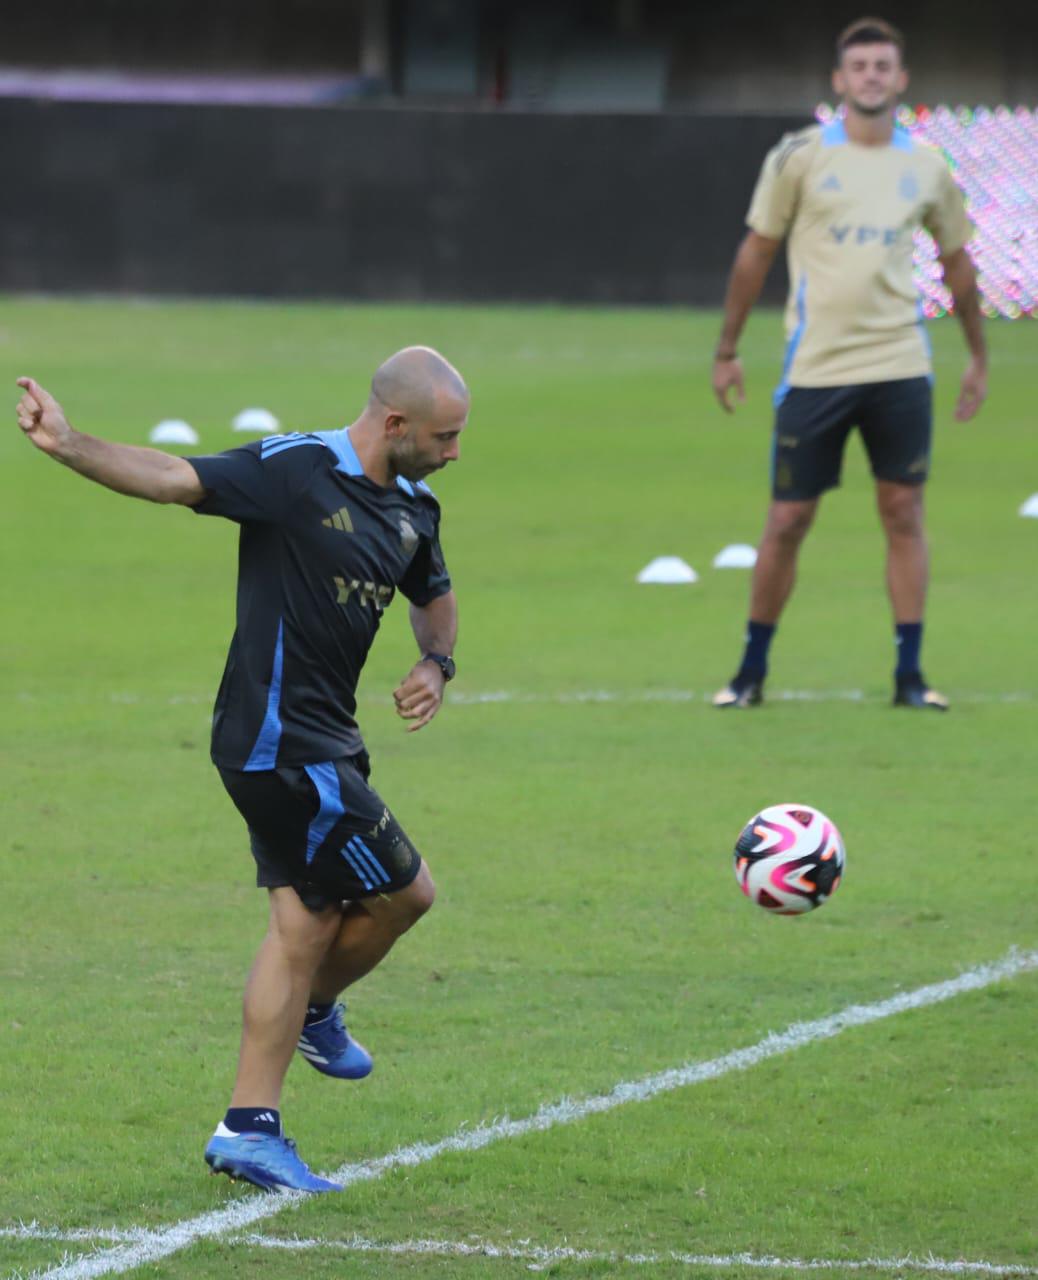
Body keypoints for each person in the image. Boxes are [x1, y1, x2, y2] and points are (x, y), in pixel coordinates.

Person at [15, 346, 468, 1193]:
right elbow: (174, 476)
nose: (453, 452)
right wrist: (72, 444)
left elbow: (433, 590)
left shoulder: (415, 505)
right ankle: (316, 1015)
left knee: (302, 932)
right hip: (281, 745)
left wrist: (436, 664)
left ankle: (250, 1127)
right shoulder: (296, 473)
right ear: (396, 422)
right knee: (409, 893)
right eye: (443, 437)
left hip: (322, 739)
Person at [710, 17, 986, 710]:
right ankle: (748, 675)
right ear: (839, 80)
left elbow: (959, 266)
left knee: (903, 514)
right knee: (787, 521)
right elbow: (755, 253)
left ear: (901, 79)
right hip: (816, 371)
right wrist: (727, 349)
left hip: (900, 366)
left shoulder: (927, 166)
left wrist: (978, 356)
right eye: (858, 65)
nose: (870, 75)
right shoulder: (799, 157)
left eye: (882, 65)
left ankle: (910, 677)